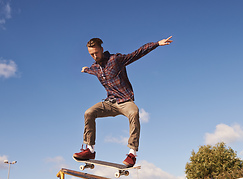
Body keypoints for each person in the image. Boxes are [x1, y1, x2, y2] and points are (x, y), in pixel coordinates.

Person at [73, 36, 173, 167]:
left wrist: (157, 44)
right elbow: (91, 70)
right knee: (89, 113)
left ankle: (132, 153)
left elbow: (137, 54)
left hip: (125, 101)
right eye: (91, 54)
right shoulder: (95, 67)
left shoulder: (116, 60)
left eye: (96, 53)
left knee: (134, 112)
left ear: (102, 49)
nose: (95, 56)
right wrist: (85, 69)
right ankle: (90, 150)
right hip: (109, 103)